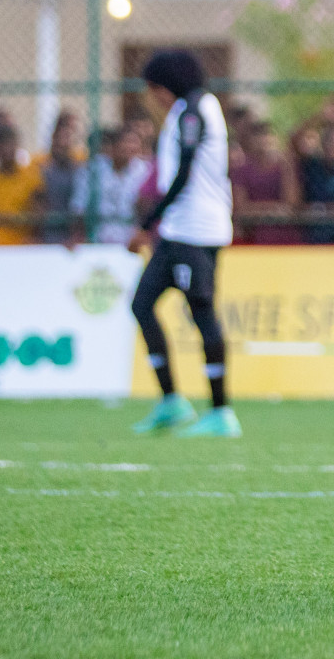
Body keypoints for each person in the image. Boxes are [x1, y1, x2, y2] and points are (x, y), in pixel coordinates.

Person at [127, 49, 240, 439]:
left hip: (196, 231)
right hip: (177, 231)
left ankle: (221, 411)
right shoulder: (184, 111)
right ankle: (171, 401)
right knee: (141, 304)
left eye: (154, 87)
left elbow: (185, 174)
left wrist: (146, 223)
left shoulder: (194, 111)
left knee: (201, 313)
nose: (152, 96)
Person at [71, 125, 152, 246]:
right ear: (113, 146)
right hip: (98, 237)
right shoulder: (94, 170)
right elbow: (79, 206)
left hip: (132, 239)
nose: (129, 147)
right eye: (125, 142)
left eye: (134, 143)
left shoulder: (144, 171)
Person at [230, 120, 301, 245]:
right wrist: (273, 210)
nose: (264, 141)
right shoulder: (241, 170)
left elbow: (291, 204)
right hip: (252, 234)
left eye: (268, 136)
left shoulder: (285, 167)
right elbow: (240, 206)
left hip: (284, 233)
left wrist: (259, 209)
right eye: (259, 136)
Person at [0, 126, 42, 246]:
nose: (7, 150)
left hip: (21, 247)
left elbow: (38, 213)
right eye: (3, 145)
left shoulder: (31, 176)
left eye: (11, 145)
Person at [38, 111, 84, 244]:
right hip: (49, 232)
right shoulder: (43, 171)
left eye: (67, 140)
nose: (63, 145)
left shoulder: (79, 171)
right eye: (60, 140)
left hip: (71, 234)